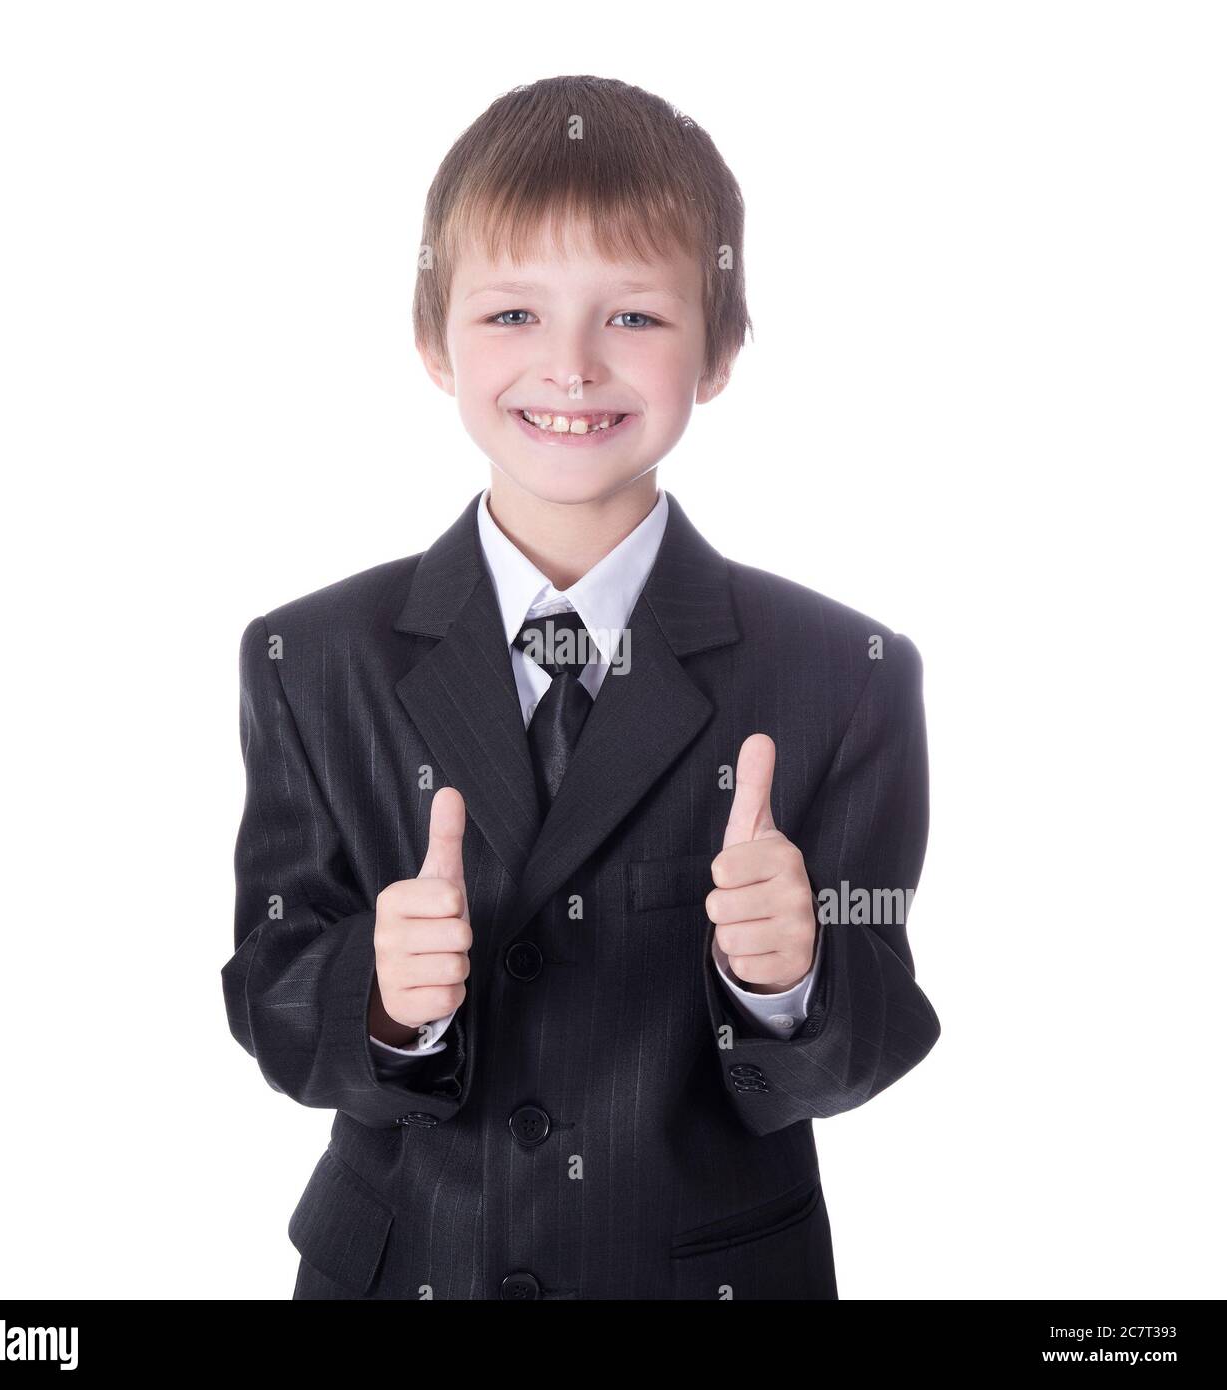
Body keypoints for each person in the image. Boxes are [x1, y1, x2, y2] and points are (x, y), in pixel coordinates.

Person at [223, 74, 939, 1301]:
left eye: (634, 319)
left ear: (717, 352)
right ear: (429, 339)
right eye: (510, 313)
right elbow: (271, 987)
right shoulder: (314, 657)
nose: (568, 365)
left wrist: (789, 980)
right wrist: (383, 1000)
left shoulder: (842, 675)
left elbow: (856, 1047)